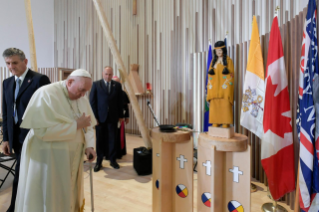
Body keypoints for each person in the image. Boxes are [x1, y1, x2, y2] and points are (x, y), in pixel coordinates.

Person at [14, 69, 97, 212]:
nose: (83, 95)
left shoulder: (81, 98)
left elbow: (88, 126)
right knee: (48, 193)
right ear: (70, 82)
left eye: (86, 92)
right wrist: (76, 125)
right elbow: (42, 131)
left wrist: (90, 146)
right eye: (81, 90)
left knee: (68, 192)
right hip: (48, 158)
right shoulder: (46, 94)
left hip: (71, 158)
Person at [1, 48, 51, 212]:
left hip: (33, 137)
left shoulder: (39, 80)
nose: (11, 67)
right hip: (15, 138)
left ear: (25, 62)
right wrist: (6, 139)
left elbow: (47, 110)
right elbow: (7, 111)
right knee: (23, 174)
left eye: (14, 63)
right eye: (8, 63)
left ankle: (14, 207)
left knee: (22, 175)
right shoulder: (7, 83)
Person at [90, 66, 124, 171]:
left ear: (112, 74)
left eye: (110, 74)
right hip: (100, 118)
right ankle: (99, 161)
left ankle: (112, 160)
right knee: (100, 139)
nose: (108, 76)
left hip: (113, 117)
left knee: (112, 139)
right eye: (106, 74)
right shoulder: (96, 84)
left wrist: (121, 116)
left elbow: (120, 102)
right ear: (102, 73)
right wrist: (94, 117)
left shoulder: (117, 85)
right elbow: (92, 102)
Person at [206, 41, 234, 128]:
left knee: (225, 107)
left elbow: (231, 75)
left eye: (220, 50)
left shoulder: (229, 61)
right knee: (215, 109)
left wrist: (227, 89)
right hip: (214, 90)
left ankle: (226, 122)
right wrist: (210, 88)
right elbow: (210, 76)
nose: (219, 52)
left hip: (224, 90)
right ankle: (216, 122)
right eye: (217, 50)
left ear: (223, 50)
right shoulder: (213, 62)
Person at [112, 76, 130, 158]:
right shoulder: (109, 92)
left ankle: (120, 152)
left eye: (118, 82)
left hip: (120, 117)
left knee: (120, 135)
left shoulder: (123, 93)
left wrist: (127, 117)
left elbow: (126, 106)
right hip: (110, 118)